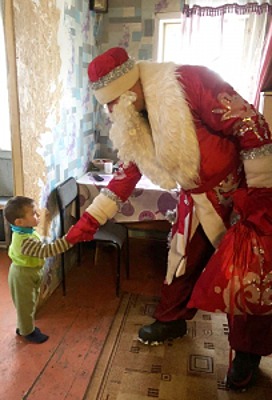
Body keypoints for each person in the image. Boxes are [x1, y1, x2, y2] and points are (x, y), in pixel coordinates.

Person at [65, 47, 272, 391]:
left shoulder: (190, 81)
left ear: (130, 90)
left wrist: (262, 193)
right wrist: (88, 221)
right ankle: (172, 320)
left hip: (241, 192)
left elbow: (251, 123)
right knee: (180, 261)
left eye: (113, 102)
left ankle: (248, 353)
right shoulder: (136, 119)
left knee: (246, 274)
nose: (111, 111)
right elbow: (125, 176)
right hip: (195, 196)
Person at [4, 196, 73, 344]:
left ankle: (23, 326)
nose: (38, 215)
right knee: (26, 305)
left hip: (30, 272)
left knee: (29, 302)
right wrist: (69, 240)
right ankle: (28, 332)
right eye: (34, 213)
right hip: (22, 275)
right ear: (19, 222)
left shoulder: (26, 231)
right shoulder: (24, 241)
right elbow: (47, 250)